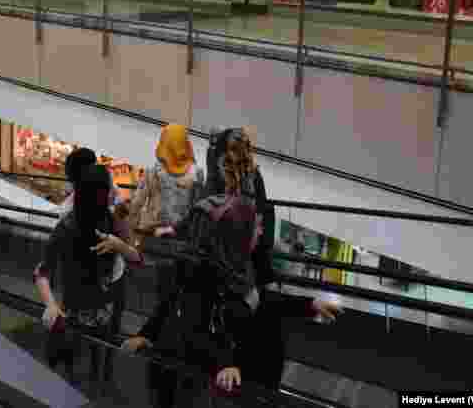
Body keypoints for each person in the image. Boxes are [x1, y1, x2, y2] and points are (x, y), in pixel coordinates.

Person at [122, 196, 341, 406]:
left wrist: (309, 305)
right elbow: (188, 320)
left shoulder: (240, 265)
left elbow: (261, 300)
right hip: (214, 384)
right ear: (237, 234)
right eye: (256, 227)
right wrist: (146, 335)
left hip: (244, 373)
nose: (262, 231)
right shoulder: (203, 273)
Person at [35, 164, 143, 387]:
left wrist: (119, 246)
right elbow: (43, 271)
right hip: (79, 307)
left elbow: (138, 259)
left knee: (99, 350)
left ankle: (97, 380)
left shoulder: (111, 220)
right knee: (75, 356)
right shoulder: (67, 227)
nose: (114, 192)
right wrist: (51, 305)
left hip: (105, 305)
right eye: (108, 188)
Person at [205, 128, 274, 289]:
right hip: (244, 243)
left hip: (231, 243)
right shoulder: (253, 172)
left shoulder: (222, 170)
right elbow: (261, 208)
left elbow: (210, 200)